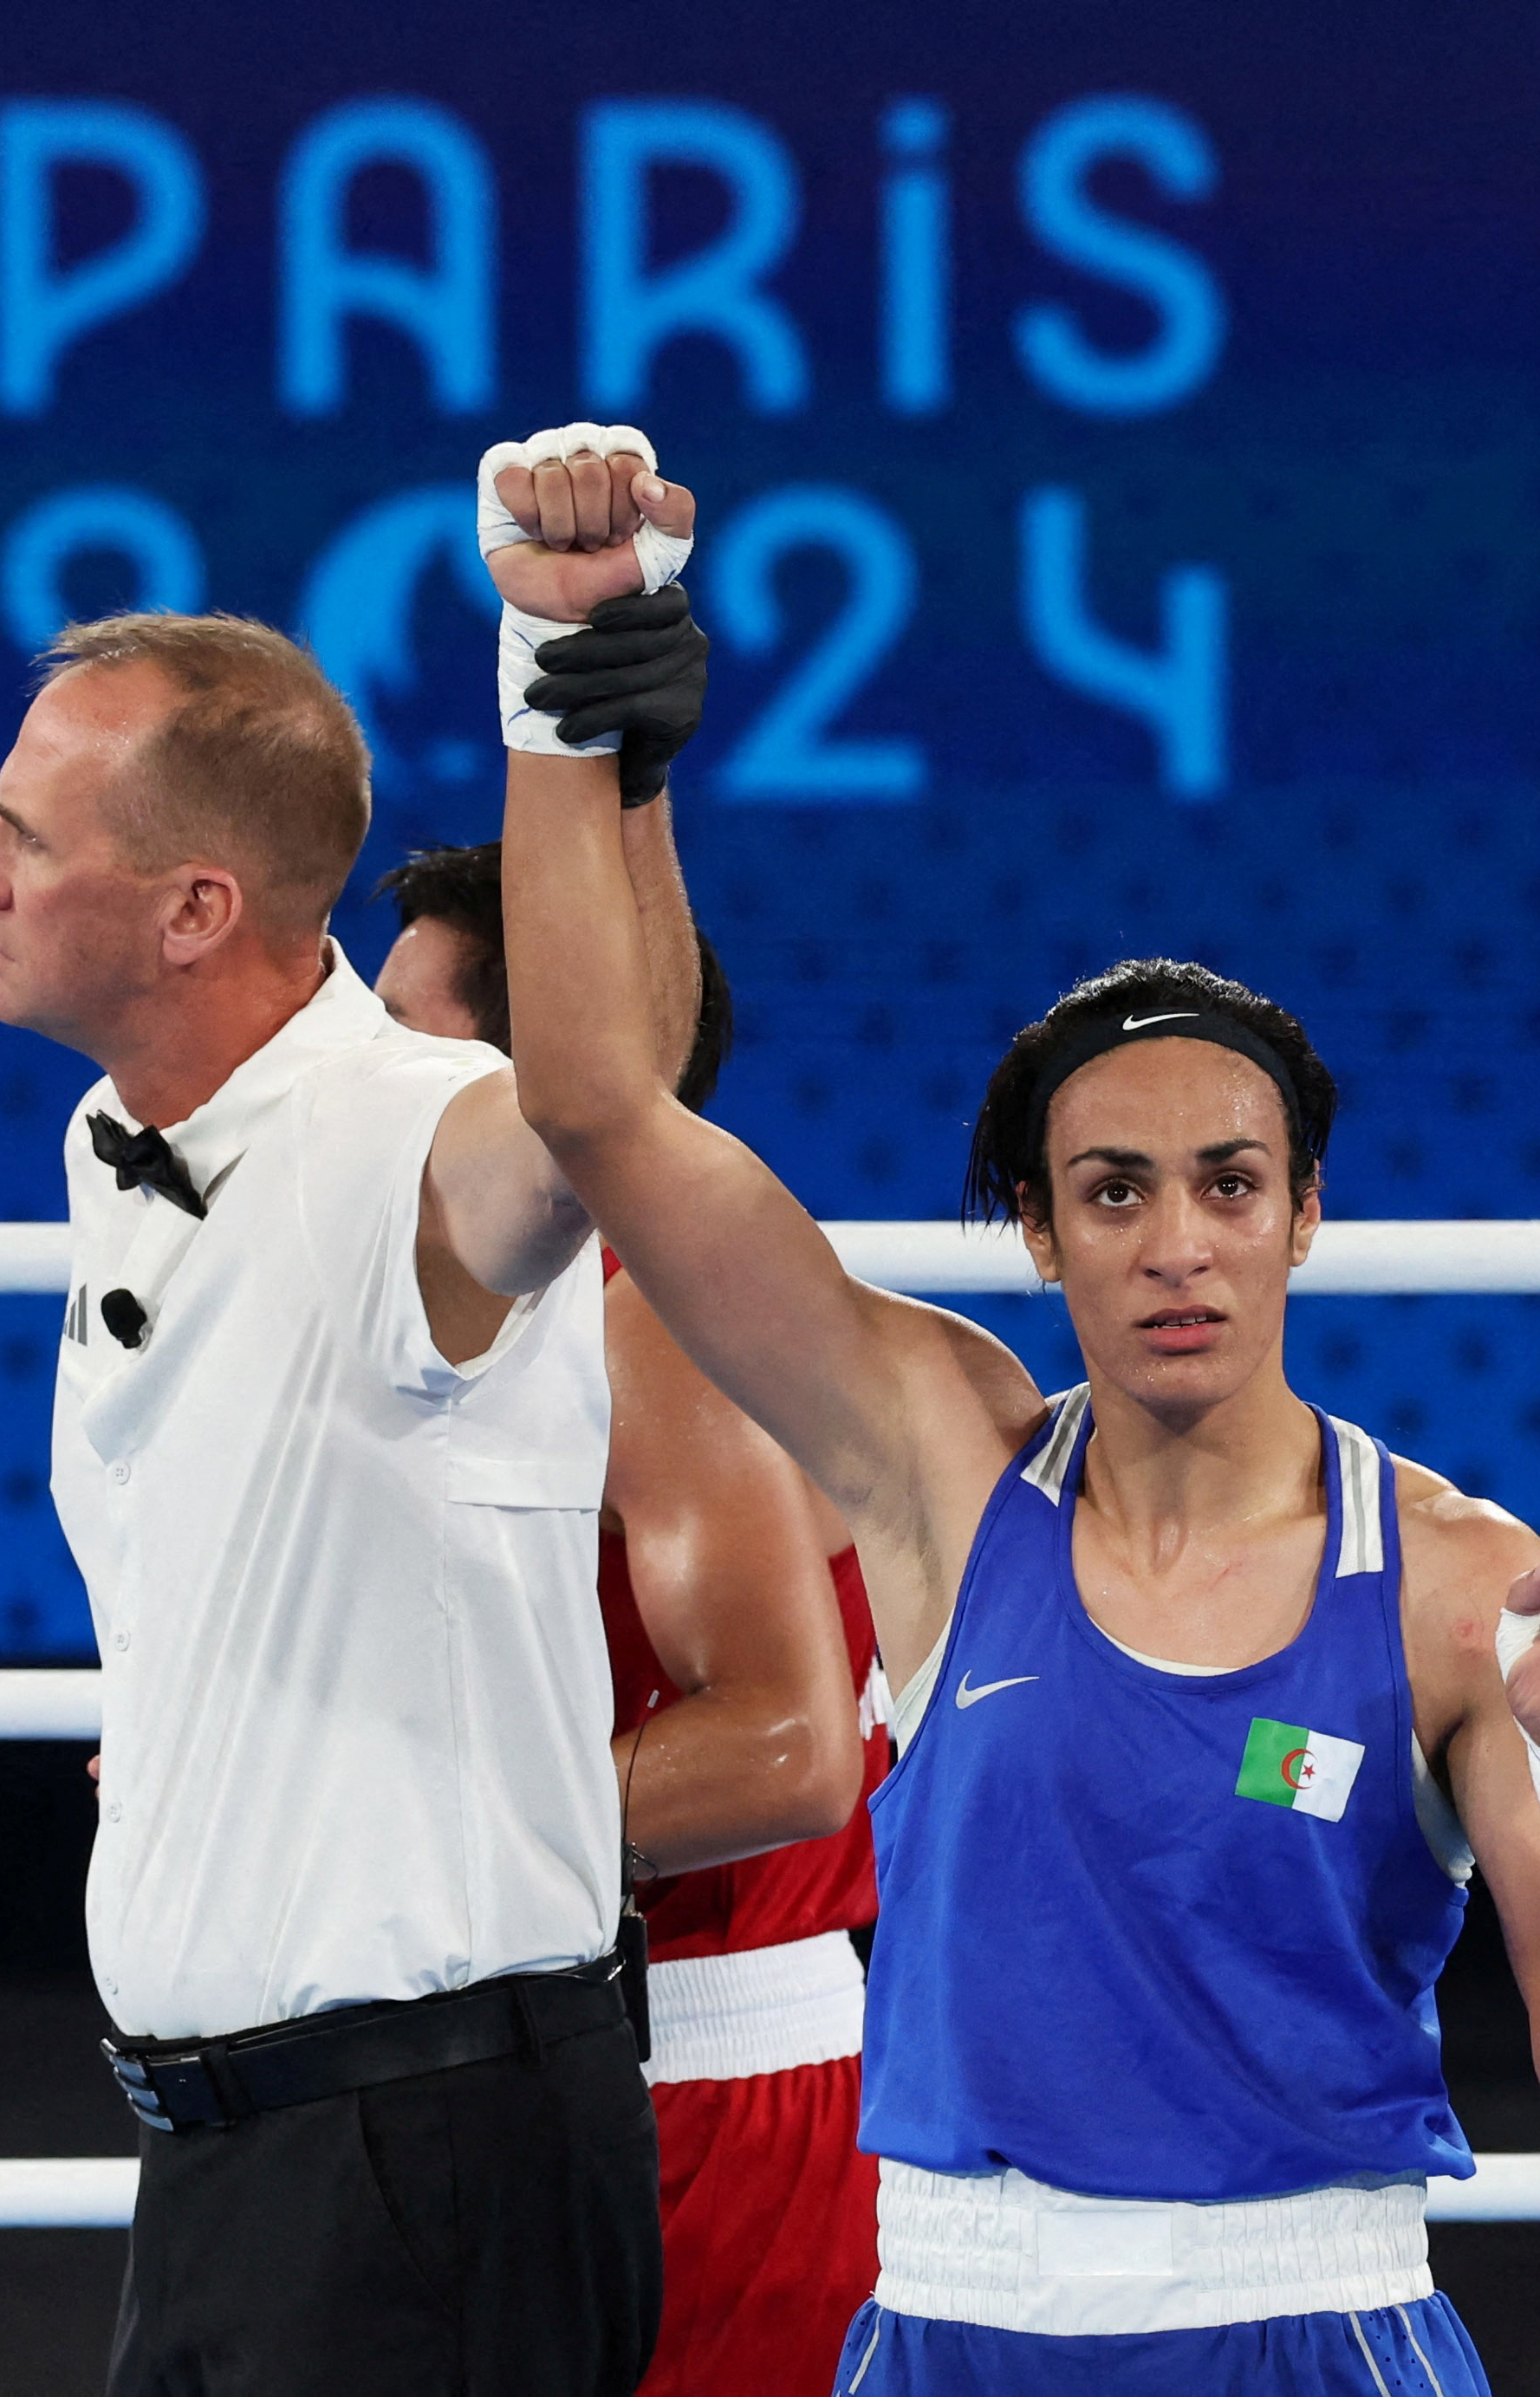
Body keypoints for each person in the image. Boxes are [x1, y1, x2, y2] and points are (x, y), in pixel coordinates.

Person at [484, 426, 1540, 2392]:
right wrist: (569, 684)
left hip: (1311, 2334)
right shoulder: (942, 1467)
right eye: (1113, 1192)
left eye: (1230, 1183)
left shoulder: (1455, 1590)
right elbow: (600, 1114)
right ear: (1041, 1243)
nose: (1177, 1245)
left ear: (1305, 1217)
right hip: (952, 2325)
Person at [0, 561, 701, 2397]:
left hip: (420, 2160)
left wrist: (575, 727)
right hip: (238, 2164)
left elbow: (613, 1108)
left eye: (24, 838)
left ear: (197, 907)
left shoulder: (406, 1137)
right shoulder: (121, 1127)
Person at [373, 840, 893, 2395]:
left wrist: (354, 1839)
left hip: (708, 2102)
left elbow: (790, 1756)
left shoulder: (653, 1323)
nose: (342, 1079)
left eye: (398, 1036)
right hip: (543, 2057)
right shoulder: (502, 1325)